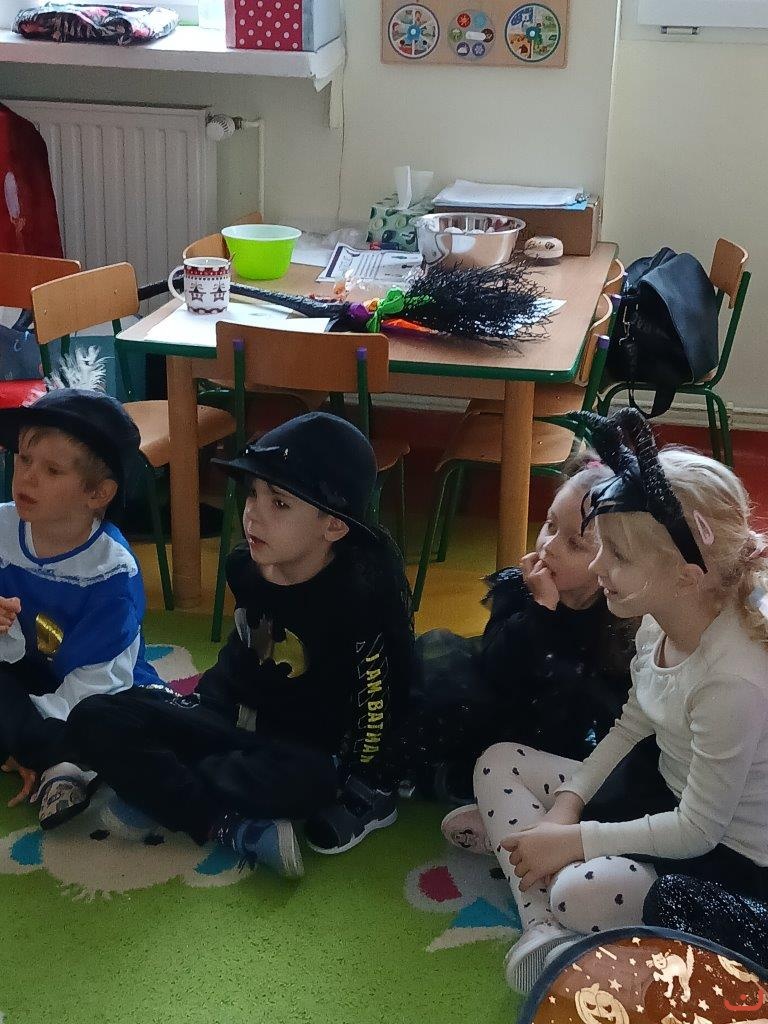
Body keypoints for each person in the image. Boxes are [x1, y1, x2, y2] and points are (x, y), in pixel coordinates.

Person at [446, 408, 768, 993]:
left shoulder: (733, 679)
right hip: (661, 795)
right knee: (497, 761)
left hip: (724, 859)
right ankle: (545, 927)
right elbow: (632, 721)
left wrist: (573, 839)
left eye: (616, 554)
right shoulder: (659, 617)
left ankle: (544, 893)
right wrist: (568, 805)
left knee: (580, 892)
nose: (598, 566)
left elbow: (697, 830)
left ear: (686, 575)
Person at [69, 412, 415, 879]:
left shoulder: (358, 599)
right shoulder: (246, 566)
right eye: (253, 493)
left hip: (300, 748)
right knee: (93, 717)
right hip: (228, 720)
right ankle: (226, 822)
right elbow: (241, 650)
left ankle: (176, 792)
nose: (253, 513)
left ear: (333, 526)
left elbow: (378, 704)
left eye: (280, 503)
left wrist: (365, 774)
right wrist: (200, 711)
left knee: (310, 783)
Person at [395, 455, 636, 809]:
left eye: (575, 544)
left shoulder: (621, 612)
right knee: (448, 701)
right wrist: (541, 611)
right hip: (509, 709)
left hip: (573, 729)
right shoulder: (519, 589)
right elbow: (497, 665)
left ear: (613, 559)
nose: (549, 546)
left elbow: (617, 700)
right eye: (550, 525)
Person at [0, 386, 159, 829]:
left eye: (52, 470)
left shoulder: (111, 573)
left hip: (98, 687)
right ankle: (50, 756)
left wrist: (28, 729)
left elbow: (94, 683)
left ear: (97, 493)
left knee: (113, 726)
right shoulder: (3, 526)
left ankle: (62, 764)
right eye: (24, 460)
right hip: (25, 668)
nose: (27, 478)